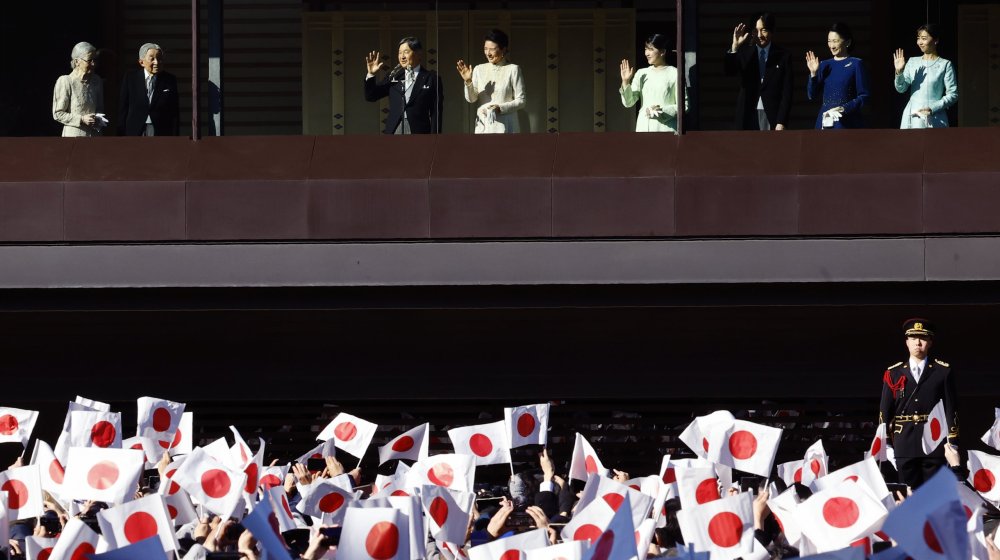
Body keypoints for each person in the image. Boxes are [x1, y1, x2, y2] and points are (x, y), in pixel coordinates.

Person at [879, 318, 959, 489]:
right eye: (913, 338)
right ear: (906, 342)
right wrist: (885, 443)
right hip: (904, 441)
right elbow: (885, 411)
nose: (918, 342)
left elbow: (951, 408)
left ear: (930, 342)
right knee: (908, 493)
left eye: (923, 338)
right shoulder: (893, 373)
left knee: (933, 494)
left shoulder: (942, 371)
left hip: (934, 440)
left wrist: (952, 441)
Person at [724, 13, 793, 131]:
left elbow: (787, 91)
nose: (760, 35)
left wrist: (781, 121)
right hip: (748, 114)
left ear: (772, 31)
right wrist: (735, 47)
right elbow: (730, 72)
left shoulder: (783, 56)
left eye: (764, 30)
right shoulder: (745, 53)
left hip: (772, 115)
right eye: (756, 31)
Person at [363, 37, 443, 134]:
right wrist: (371, 75)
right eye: (400, 53)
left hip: (419, 132)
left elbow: (436, 112)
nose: (402, 56)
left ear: (418, 54)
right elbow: (371, 96)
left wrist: (435, 139)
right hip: (394, 130)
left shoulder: (431, 79)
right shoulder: (393, 76)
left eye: (406, 52)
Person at [456, 29, 526, 134]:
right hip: (483, 127)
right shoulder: (479, 69)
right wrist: (468, 81)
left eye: (492, 49)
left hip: (506, 126)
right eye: (485, 49)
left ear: (503, 49)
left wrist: (500, 108)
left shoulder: (513, 69)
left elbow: (521, 101)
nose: (488, 53)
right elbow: (471, 99)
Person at [806, 22, 870, 129]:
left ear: (847, 42)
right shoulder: (824, 65)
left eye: (835, 41)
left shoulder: (856, 64)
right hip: (825, 122)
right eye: (829, 41)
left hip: (847, 123)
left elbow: (864, 96)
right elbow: (811, 95)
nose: (831, 46)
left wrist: (844, 109)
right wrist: (813, 74)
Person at [893, 24, 958, 129]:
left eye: (924, 39)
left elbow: (953, 94)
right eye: (918, 38)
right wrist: (899, 72)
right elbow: (901, 89)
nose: (920, 42)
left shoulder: (945, 64)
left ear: (936, 40)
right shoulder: (912, 62)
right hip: (913, 114)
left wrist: (933, 108)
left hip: (936, 116)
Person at [619, 34, 688, 133]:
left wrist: (661, 110)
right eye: (646, 49)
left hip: (666, 128)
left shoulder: (674, 73)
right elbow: (629, 102)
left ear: (662, 52)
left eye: (651, 49)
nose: (646, 53)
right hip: (643, 128)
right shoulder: (641, 73)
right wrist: (625, 81)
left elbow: (684, 105)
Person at [118, 42, 180, 136]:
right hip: (135, 129)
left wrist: (175, 136)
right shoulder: (130, 78)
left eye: (159, 58)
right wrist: (120, 134)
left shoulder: (169, 80)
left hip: (161, 130)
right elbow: (123, 107)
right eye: (152, 59)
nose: (157, 62)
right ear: (141, 62)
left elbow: (174, 111)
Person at [52, 42, 105, 137]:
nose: (93, 64)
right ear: (77, 62)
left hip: (94, 137)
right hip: (74, 137)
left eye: (95, 60)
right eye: (89, 60)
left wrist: (98, 119)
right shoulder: (66, 81)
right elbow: (58, 113)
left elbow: (100, 108)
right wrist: (81, 119)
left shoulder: (97, 81)